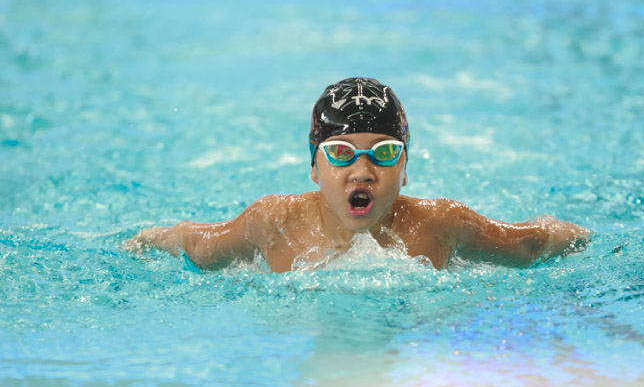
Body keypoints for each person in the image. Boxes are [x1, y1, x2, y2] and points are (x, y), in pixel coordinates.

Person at [124, 77, 590, 272]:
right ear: (314, 167)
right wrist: (147, 240)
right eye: (341, 153)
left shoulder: (440, 225)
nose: (361, 171)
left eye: (385, 153)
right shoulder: (275, 223)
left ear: (405, 170)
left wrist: (585, 239)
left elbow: (527, 243)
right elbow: (200, 244)